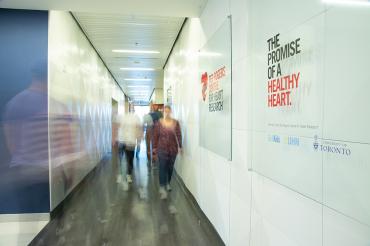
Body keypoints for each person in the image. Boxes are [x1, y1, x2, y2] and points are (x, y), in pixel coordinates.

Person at [153, 105, 182, 199]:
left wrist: (180, 146)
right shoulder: (159, 123)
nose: (167, 113)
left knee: (170, 168)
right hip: (162, 149)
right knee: (162, 167)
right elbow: (156, 135)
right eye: (165, 111)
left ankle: (168, 182)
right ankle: (162, 187)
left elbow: (178, 134)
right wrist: (154, 147)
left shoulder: (175, 123)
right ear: (163, 112)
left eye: (169, 111)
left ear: (171, 112)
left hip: (173, 149)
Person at [115, 110, 142, 184]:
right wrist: (115, 138)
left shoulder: (136, 118)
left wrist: (139, 142)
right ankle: (120, 174)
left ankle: (128, 175)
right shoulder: (122, 118)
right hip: (122, 141)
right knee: (121, 159)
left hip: (131, 142)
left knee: (129, 159)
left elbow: (139, 130)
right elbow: (118, 128)